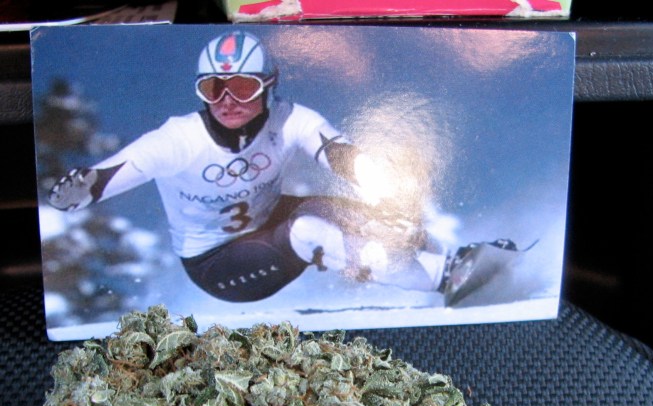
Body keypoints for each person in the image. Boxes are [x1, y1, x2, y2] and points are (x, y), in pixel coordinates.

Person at [48, 30, 521, 305]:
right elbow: (115, 172)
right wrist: (87, 186)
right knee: (311, 231)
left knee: (358, 211)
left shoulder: (290, 119)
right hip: (217, 263)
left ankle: (454, 259)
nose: (227, 100)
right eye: (213, 88)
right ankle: (442, 281)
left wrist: (384, 191)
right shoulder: (179, 139)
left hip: (268, 219)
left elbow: (337, 152)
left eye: (242, 87)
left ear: (268, 86)